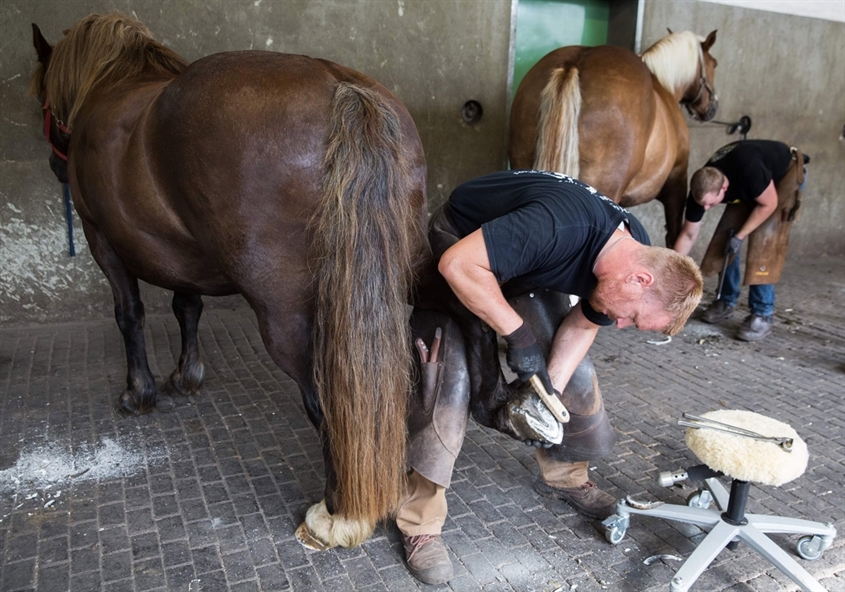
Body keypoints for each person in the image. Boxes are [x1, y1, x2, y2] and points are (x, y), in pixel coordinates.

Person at [398, 170, 703, 584]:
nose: (624, 325)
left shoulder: (631, 248)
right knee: (446, 384)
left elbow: (582, 326)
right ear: (639, 279)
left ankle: (567, 478)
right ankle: (420, 524)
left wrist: (546, 393)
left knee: (575, 376)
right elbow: (458, 264)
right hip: (460, 250)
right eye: (633, 317)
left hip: (526, 269)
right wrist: (518, 335)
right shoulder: (558, 226)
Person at [674, 139, 800, 341]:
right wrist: (671, 270)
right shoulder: (703, 187)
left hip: (785, 174)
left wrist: (741, 236)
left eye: (710, 204)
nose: (705, 209)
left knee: (763, 242)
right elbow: (688, 234)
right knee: (726, 239)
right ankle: (725, 300)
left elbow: (769, 204)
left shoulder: (749, 170)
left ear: (723, 189)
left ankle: (762, 314)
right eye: (702, 205)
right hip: (752, 185)